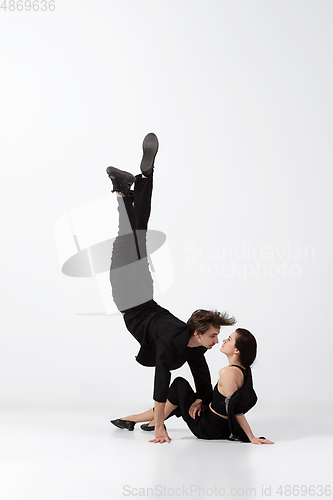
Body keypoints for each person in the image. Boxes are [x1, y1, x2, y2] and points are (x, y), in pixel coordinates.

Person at [107, 133, 236, 444]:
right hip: (129, 295)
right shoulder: (174, 340)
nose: (216, 340)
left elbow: (202, 377)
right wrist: (161, 425)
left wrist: (201, 400)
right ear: (197, 333)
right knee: (132, 233)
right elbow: (161, 379)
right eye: (214, 336)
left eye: (216, 336)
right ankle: (126, 190)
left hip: (143, 295)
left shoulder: (192, 344)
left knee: (137, 231)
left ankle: (134, 184)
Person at [117, 328, 274, 445]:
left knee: (179, 385)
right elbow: (224, 401)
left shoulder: (227, 373)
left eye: (229, 339)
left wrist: (251, 437)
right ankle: (136, 420)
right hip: (216, 421)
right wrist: (200, 400)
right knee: (180, 400)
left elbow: (235, 409)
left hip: (208, 428)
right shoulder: (244, 370)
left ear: (237, 350)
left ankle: (146, 421)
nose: (223, 341)